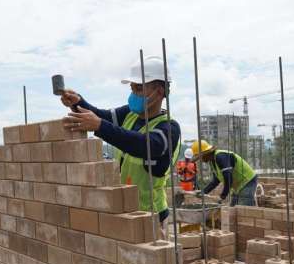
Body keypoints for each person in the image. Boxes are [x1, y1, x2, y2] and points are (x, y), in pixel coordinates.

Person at [60, 56, 180, 222]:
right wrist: (78, 102)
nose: (133, 95)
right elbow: (101, 117)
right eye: (132, 89)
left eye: (138, 89)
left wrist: (100, 126)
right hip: (126, 208)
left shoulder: (169, 128)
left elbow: (145, 145)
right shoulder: (129, 114)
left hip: (152, 215)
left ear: (159, 91)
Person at [191, 140, 257, 206]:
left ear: (205, 153)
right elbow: (216, 180)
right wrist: (204, 192)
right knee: (233, 208)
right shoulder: (212, 161)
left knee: (243, 208)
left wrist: (223, 195)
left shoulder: (220, 157)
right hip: (238, 185)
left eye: (200, 157)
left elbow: (228, 178)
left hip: (247, 181)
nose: (201, 160)